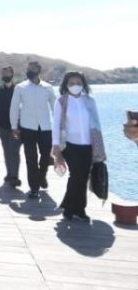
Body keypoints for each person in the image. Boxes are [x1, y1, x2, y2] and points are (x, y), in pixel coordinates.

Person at [52, 72, 104, 222]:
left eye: (78, 82)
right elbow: (56, 125)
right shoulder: (61, 101)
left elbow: (96, 123)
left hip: (88, 145)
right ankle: (71, 209)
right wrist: (56, 146)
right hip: (69, 144)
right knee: (76, 175)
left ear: (83, 84)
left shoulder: (89, 101)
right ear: (66, 85)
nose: (75, 85)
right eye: (71, 83)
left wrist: (99, 146)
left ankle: (78, 209)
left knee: (83, 176)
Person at [9, 61, 56, 199]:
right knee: (31, 158)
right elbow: (14, 107)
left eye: (32, 68)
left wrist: (60, 126)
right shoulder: (20, 87)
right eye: (28, 68)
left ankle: (41, 176)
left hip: (46, 127)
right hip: (27, 128)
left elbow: (55, 108)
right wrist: (14, 127)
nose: (29, 70)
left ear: (38, 70)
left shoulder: (48, 88)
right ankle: (34, 188)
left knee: (46, 155)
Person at [0, 66, 22, 187]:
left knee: (14, 151)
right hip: (2, 126)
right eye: (3, 73)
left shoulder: (19, 90)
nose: (5, 75)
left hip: (16, 127)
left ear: (12, 73)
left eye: (7, 72)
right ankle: (9, 174)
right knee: (7, 151)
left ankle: (14, 176)